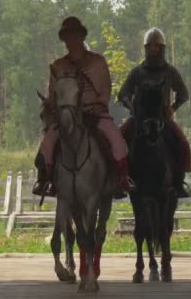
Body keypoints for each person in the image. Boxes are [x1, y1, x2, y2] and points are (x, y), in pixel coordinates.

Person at [32, 16, 136, 198]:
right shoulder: (58, 66)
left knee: (117, 141)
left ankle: (121, 179)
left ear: (82, 37)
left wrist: (100, 105)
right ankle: (45, 181)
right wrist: (55, 109)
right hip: (68, 116)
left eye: (74, 36)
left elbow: (106, 87)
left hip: (95, 112)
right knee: (47, 144)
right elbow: (53, 94)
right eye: (67, 37)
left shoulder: (98, 62)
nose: (70, 41)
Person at [117, 27, 191, 198]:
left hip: (162, 119)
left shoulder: (170, 71)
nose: (153, 49)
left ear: (161, 48)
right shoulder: (137, 72)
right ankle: (119, 181)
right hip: (138, 118)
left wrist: (172, 108)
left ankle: (178, 183)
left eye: (156, 46)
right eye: (150, 46)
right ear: (145, 48)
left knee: (182, 144)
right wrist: (132, 108)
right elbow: (123, 94)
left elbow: (184, 94)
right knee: (118, 142)